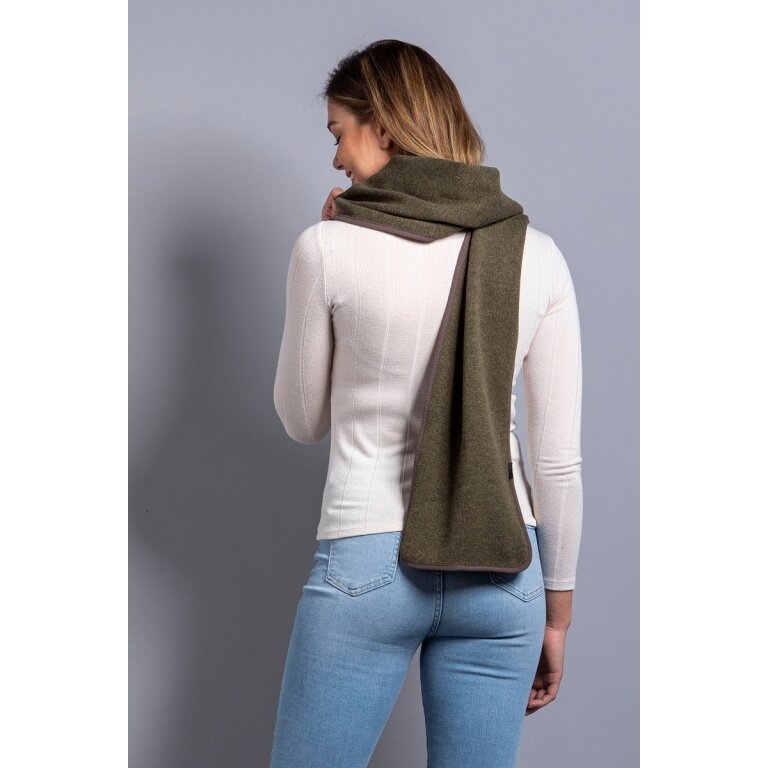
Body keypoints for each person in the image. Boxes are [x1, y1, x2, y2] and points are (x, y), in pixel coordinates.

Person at [270, 39, 582, 768]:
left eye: (339, 133)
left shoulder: (327, 248)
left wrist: (327, 249)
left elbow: (302, 419)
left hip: (368, 560)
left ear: (383, 125)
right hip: (504, 572)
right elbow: (557, 464)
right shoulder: (536, 253)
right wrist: (558, 614)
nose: (336, 158)